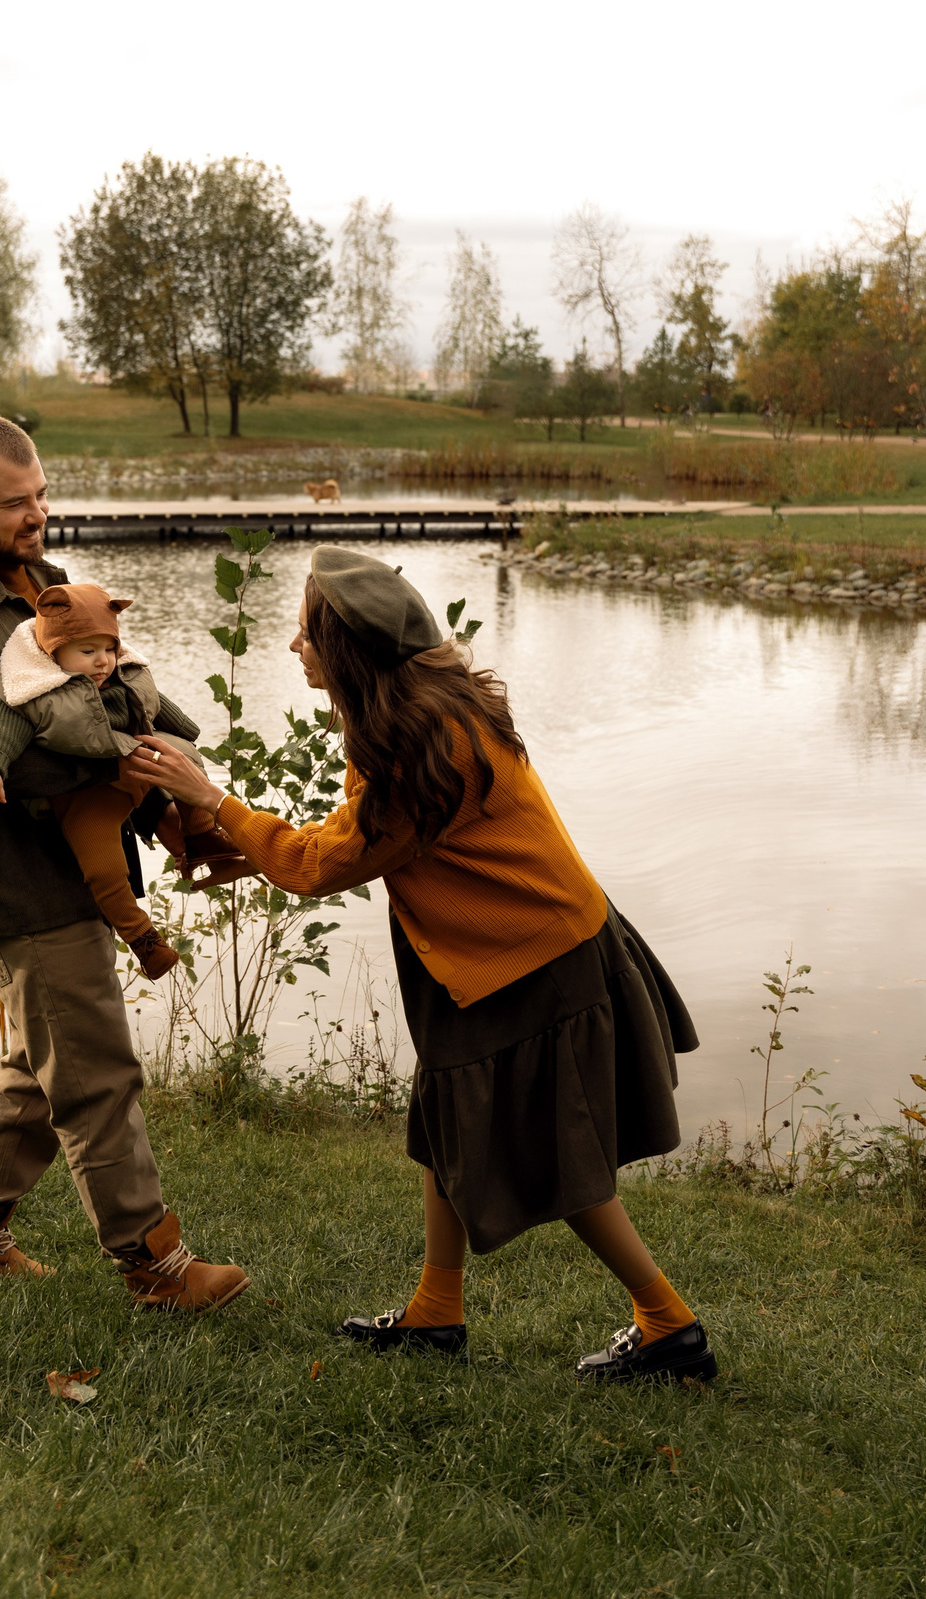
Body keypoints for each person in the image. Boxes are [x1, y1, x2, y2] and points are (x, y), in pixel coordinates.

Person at [135, 547, 712, 1383]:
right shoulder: (414, 713)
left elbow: (323, 862)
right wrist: (245, 844)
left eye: (306, 634)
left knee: (558, 1159)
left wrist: (214, 801)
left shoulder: (419, 741)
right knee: (446, 1123)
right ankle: (438, 1311)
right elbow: (354, 839)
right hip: (495, 958)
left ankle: (669, 1324)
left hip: (533, 961)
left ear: (348, 651)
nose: (294, 646)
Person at [0, 413, 249, 1311]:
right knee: (94, 1073)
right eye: (15, 504)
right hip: (12, 873)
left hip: (76, 858)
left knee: (40, 1054)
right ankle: (156, 1266)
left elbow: (109, 691)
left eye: (41, 494)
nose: (37, 514)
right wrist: (124, 764)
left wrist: (166, 783)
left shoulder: (48, 586)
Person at [0, 580, 232, 981]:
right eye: (87, 652)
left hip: (139, 765)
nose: (102, 661)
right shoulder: (33, 689)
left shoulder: (122, 674)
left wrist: (186, 732)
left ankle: (202, 838)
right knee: (103, 867)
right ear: (53, 652)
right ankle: (143, 939)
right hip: (87, 792)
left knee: (187, 761)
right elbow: (2, 724)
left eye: (108, 648)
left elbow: (153, 703)